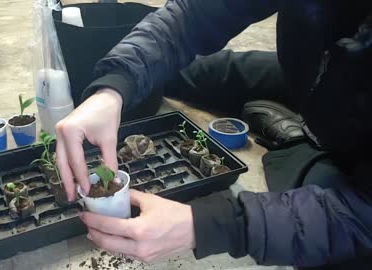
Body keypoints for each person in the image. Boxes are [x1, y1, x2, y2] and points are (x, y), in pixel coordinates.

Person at [54, 0, 372, 268]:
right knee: (181, 73)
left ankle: (301, 144)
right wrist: (113, 86)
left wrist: (211, 225)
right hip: (324, 78)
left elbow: (360, 217)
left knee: (323, 231)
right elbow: (195, 15)